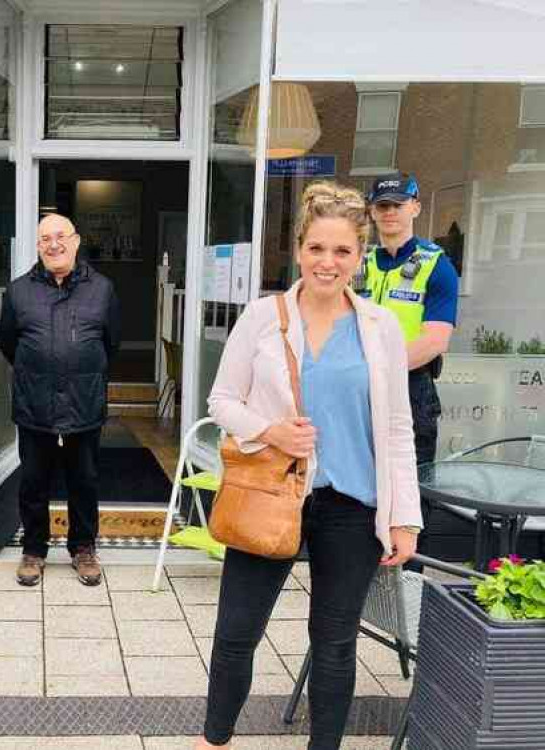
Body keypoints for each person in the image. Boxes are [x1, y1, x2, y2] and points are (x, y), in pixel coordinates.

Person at [197, 182, 422, 750]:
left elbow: (397, 427)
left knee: (335, 640)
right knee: (236, 633)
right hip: (273, 493)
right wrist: (269, 430)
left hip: (352, 504)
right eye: (317, 248)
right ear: (299, 250)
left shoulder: (380, 329)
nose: (328, 262)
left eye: (342, 251)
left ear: (359, 256)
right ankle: (213, 741)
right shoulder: (261, 318)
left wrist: (404, 517)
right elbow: (221, 401)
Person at [0, 213, 120, 587]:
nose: (53, 245)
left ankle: (83, 548)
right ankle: (34, 550)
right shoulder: (19, 291)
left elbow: (110, 344)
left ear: (76, 240)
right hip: (35, 405)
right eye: (45, 239)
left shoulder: (102, 289)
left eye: (60, 237)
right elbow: (9, 345)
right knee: (34, 481)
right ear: (37, 247)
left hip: (84, 405)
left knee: (83, 480)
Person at [363, 173, 459, 564]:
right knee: (363, 483)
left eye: (398, 205)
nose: (390, 213)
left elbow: (434, 340)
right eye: (382, 206)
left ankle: (409, 586)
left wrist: (378, 367)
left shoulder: (436, 265)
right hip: (361, 388)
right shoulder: (361, 264)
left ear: (415, 207)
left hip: (411, 389)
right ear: (372, 211)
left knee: (410, 490)